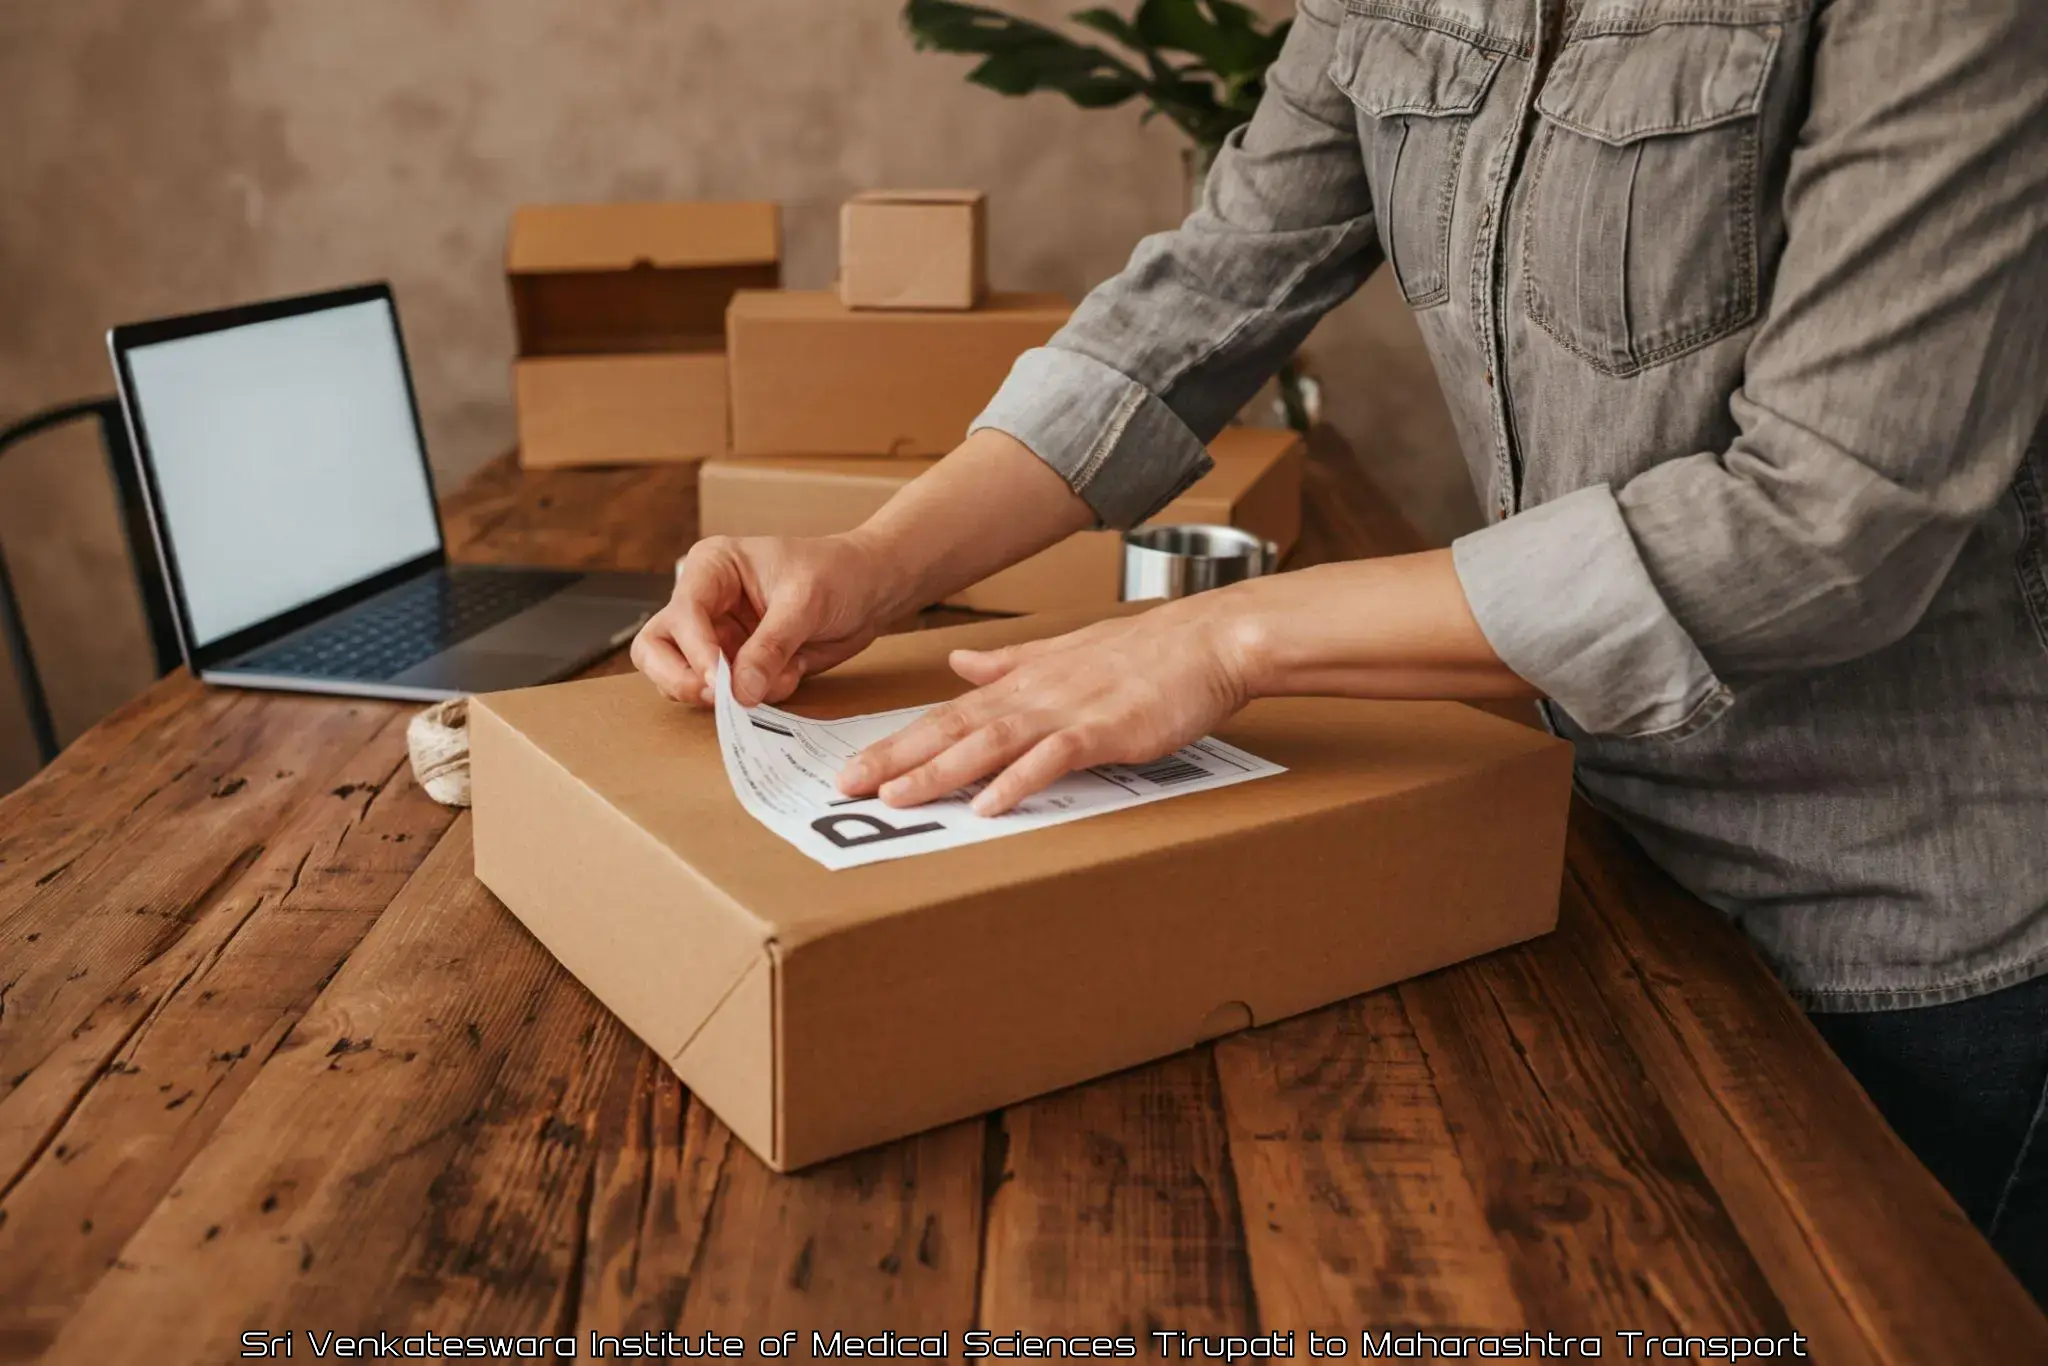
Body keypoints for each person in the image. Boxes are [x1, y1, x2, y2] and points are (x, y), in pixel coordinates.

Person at [634, 0, 2048, 1297]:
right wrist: (877, 563)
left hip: (1912, 933)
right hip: (1590, 848)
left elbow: (1830, 523)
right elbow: (1198, 299)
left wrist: (1230, 639)